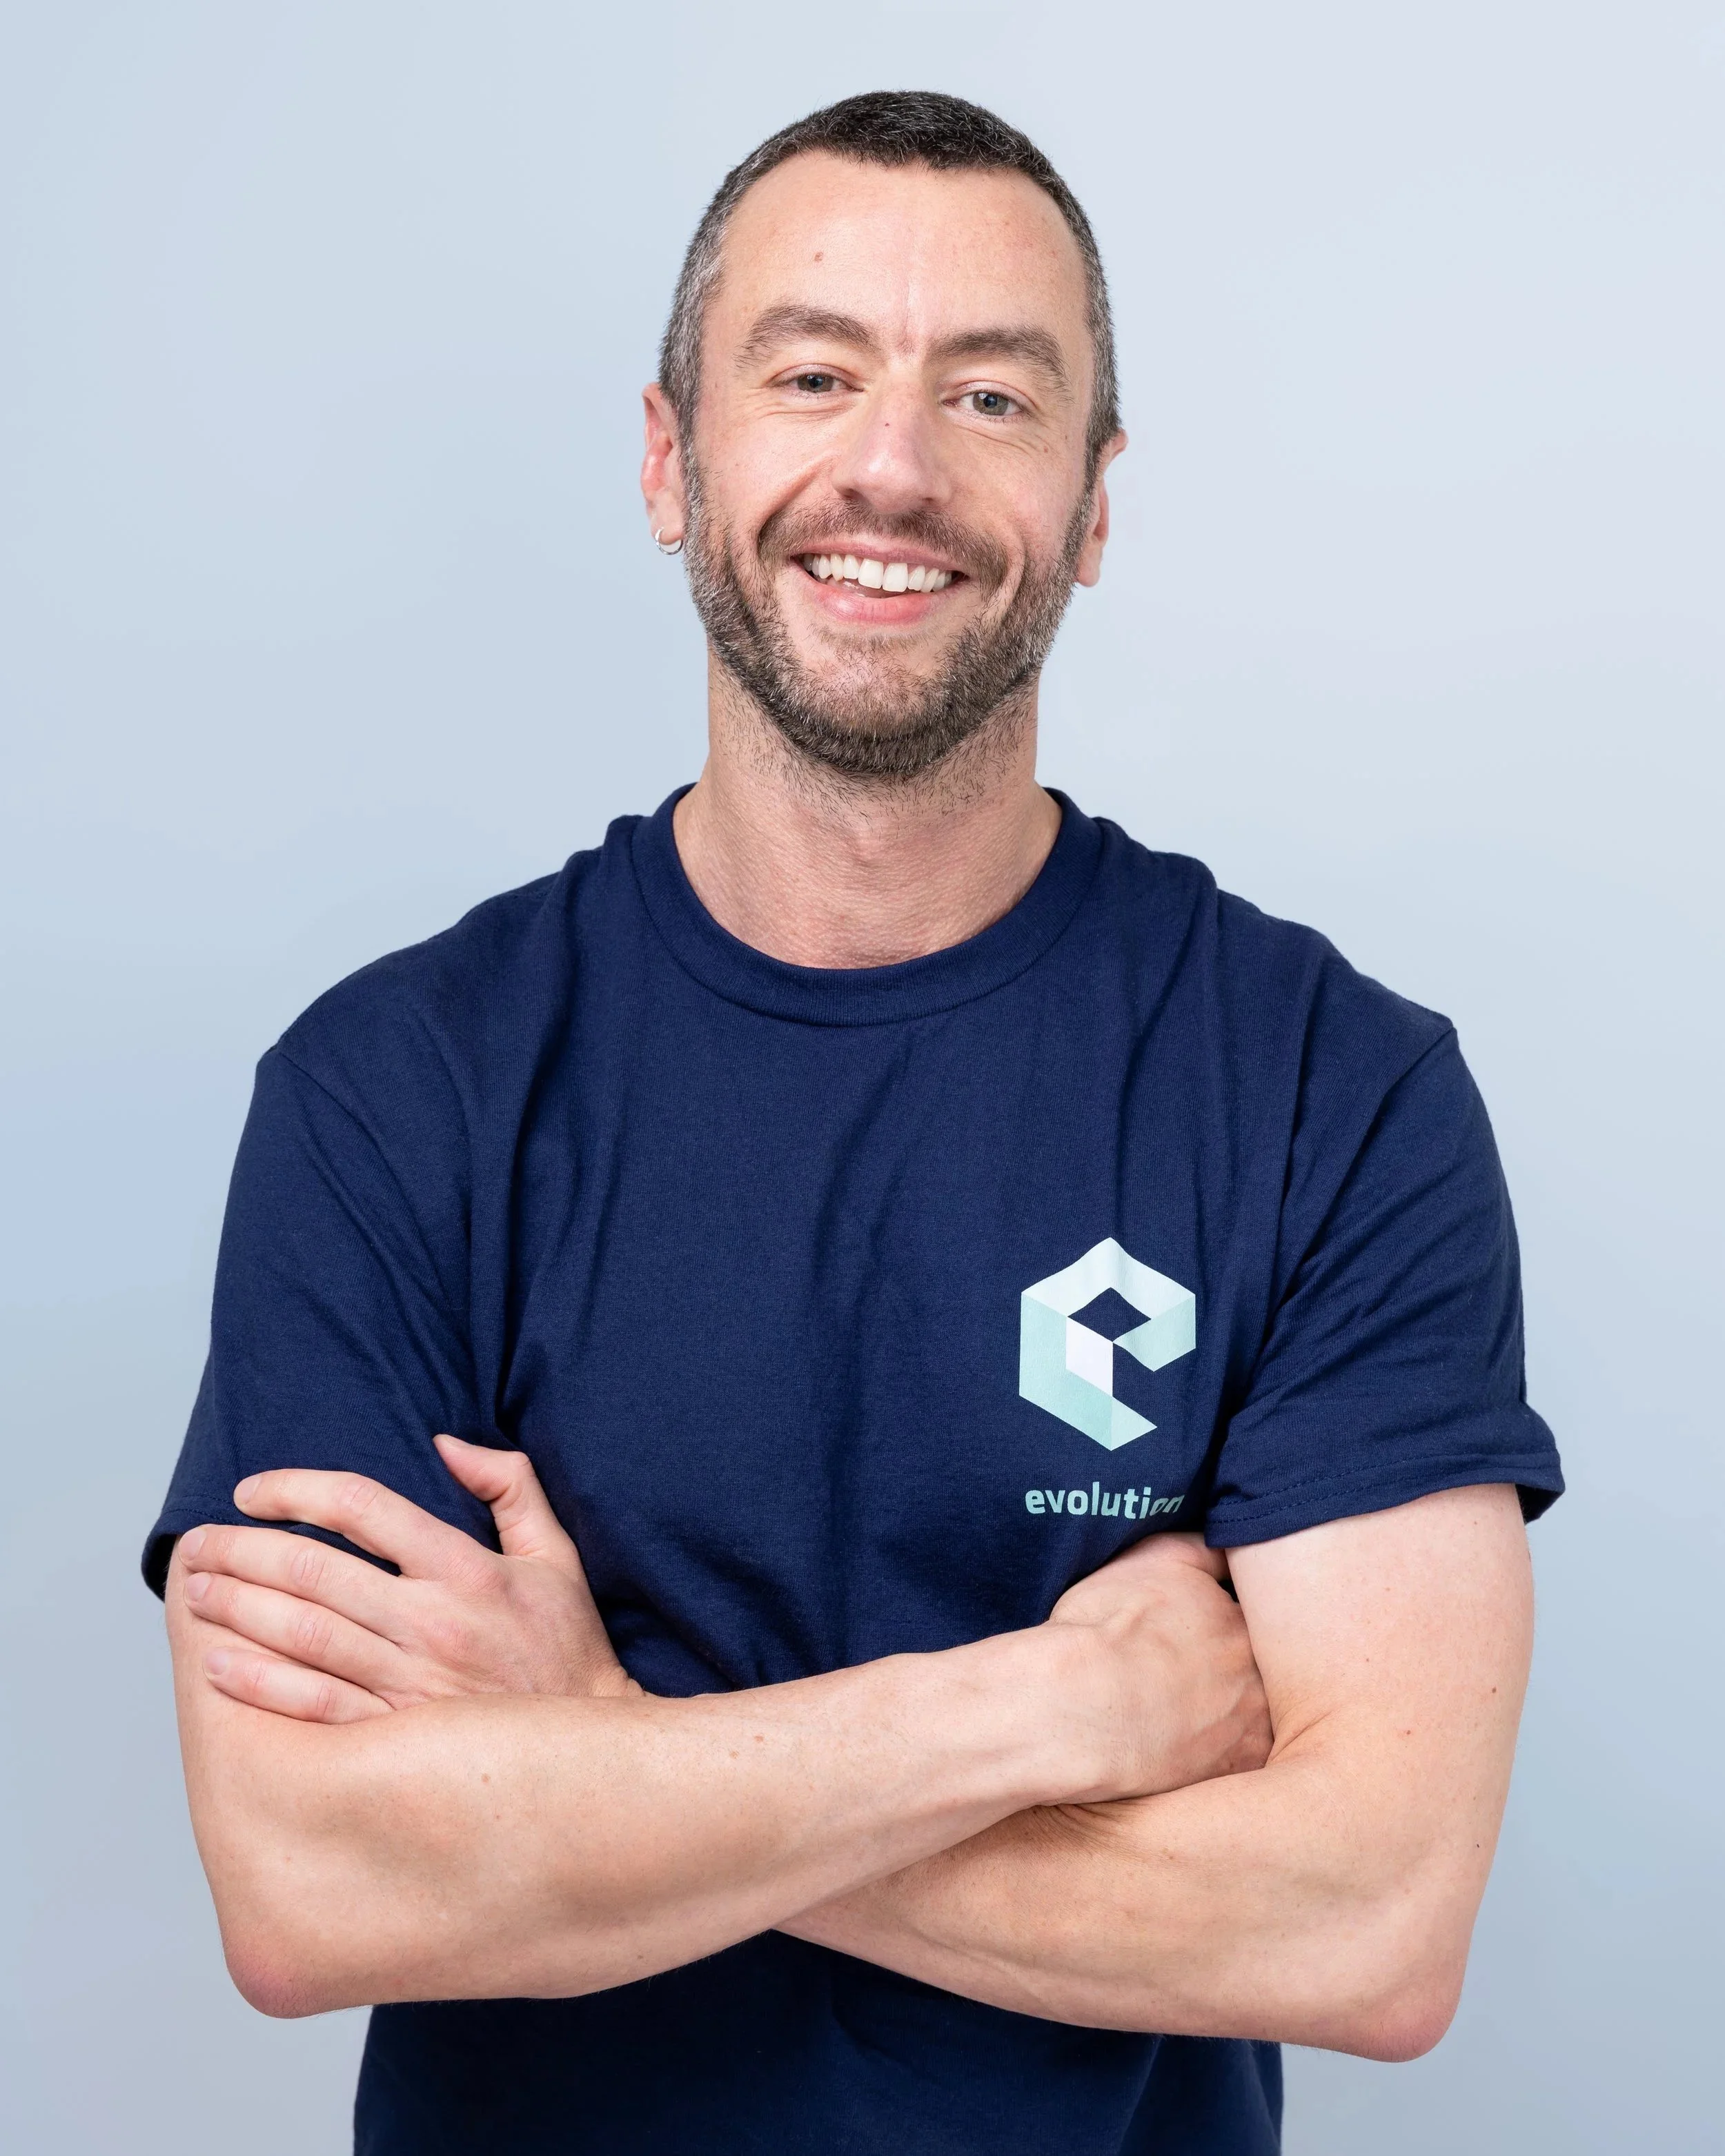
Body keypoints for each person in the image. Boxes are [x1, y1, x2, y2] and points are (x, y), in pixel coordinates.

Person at [146, 90, 1563, 2156]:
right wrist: (1041, 1712)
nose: (888, 465)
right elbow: (313, 1886)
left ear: (1090, 502)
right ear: (669, 459)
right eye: (811, 373)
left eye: (990, 394)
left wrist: (595, 1763)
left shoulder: (1327, 1092)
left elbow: (1367, 1921)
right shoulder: (400, 1091)